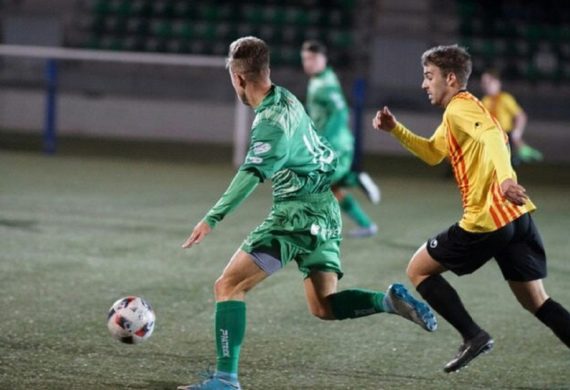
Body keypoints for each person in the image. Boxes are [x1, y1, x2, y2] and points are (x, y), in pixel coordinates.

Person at [178, 36, 437, 390]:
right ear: (266, 71)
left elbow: (250, 174)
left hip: (294, 216)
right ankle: (386, 301)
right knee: (324, 305)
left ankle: (226, 379)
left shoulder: (270, 121)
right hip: (326, 212)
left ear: (238, 79)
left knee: (228, 286)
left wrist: (211, 219)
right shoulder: (287, 97)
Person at [372, 44, 570, 373]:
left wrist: (506, 179)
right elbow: (434, 153)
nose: (424, 84)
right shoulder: (461, 111)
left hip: (488, 218)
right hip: (516, 219)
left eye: (429, 76)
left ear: (450, 78)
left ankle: (473, 336)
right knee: (538, 302)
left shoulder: (459, 109)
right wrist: (396, 130)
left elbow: (494, 135)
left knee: (418, 269)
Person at [301, 40, 380, 238]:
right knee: (333, 188)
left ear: (323, 59)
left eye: (312, 58)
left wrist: (325, 140)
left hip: (334, 145)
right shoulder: (322, 78)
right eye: (305, 59)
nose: (308, 63)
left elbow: (341, 112)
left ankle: (353, 180)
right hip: (336, 143)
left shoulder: (324, 85)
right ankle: (366, 225)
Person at [480, 70, 543, 165]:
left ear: (497, 83)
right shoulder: (485, 101)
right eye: (484, 83)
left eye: (488, 82)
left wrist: (517, 133)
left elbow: (521, 116)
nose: (485, 85)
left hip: (505, 136)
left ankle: (523, 151)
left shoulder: (505, 98)